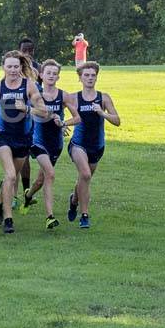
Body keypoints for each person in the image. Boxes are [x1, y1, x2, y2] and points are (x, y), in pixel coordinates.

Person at [0, 51, 43, 234]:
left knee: (13, 176)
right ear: (3, 67)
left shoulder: (29, 86)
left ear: (21, 67)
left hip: (23, 137)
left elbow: (43, 111)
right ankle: (8, 219)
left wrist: (27, 108)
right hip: (2, 134)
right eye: (9, 66)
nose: (12, 70)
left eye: (16, 66)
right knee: (10, 175)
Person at [66, 62, 121, 228]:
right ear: (80, 78)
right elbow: (56, 110)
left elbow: (117, 121)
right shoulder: (73, 97)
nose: (90, 78)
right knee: (86, 175)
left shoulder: (103, 98)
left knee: (84, 178)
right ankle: (84, 215)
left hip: (97, 146)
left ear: (97, 77)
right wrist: (62, 124)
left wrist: (101, 113)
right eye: (86, 75)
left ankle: (74, 200)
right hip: (78, 144)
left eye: (93, 75)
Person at [22, 59, 68, 230]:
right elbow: (26, 110)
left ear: (58, 77)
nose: (51, 76)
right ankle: (50, 216)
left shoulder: (64, 95)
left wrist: (64, 124)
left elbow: (75, 117)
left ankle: (28, 195)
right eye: (48, 73)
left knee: (41, 179)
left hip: (55, 143)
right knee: (50, 173)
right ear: (41, 75)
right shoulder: (34, 94)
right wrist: (48, 115)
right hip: (37, 139)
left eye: (54, 73)